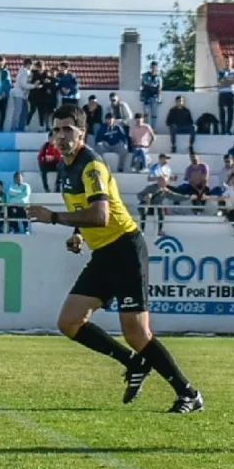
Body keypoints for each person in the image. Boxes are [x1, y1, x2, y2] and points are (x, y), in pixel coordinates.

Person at [26, 104, 204, 413]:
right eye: (56, 130)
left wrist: (52, 217)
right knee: (69, 322)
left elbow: (101, 214)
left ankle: (188, 393)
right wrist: (79, 234)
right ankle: (133, 363)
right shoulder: (65, 167)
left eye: (68, 129)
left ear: (82, 133)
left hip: (125, 249)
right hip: (104, 253)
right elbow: (87, 212)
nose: (60, 135)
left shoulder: (91, 166)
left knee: (136, 333)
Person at [140, 61, 163, 129]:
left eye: (155, 67)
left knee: (154, 114)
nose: (153, 69)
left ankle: (153, 128)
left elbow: (160, 88)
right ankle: (147, 128)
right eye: (152, 67)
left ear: (157, 68)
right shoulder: (145, 75)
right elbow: (143, 85)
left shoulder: (159, 77)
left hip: (155, 97)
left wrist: (160, 98)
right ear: (150, 67)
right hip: (146, 96)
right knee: (146, 113)